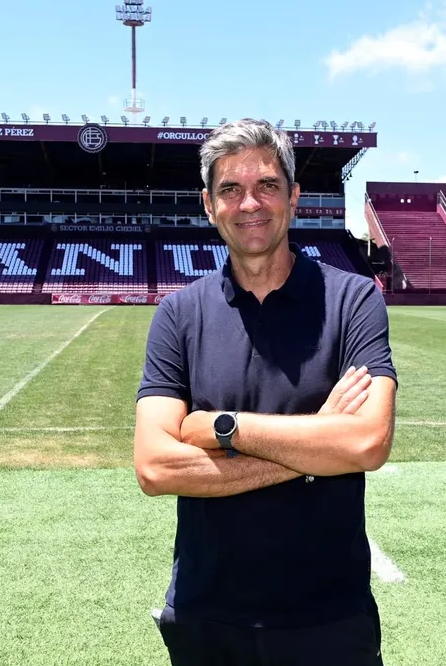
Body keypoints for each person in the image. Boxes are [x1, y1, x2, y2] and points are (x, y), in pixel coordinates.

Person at [134, 118, 398, 666]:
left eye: (267, 186)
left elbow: (367, 443)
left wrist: (223, 428)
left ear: (294, 197)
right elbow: (156, 469)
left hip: (329, 617)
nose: (249, 203)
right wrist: (315, 448)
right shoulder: (178, 315)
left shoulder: (353, 301)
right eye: (230, 189)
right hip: (208, 617)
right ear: (209, 205)